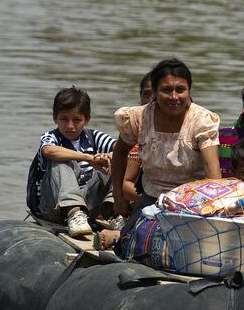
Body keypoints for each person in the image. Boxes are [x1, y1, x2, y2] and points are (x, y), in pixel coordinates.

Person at [111, 58, 221, 225]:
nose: (174, 97)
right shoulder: (139, 118)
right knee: (136, 242)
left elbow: (212, 168)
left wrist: (215, 211)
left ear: (189, 91)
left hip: (192, 205)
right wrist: (118, 196)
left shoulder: (202, 121)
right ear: (154, 92)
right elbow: (119, 153)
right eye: (166, 90)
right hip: (151, 200)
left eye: (181, 90)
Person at [29, 86, 116, 237]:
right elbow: (49, 151)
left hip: (89, 206)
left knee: (118, 162)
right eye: (64, 119)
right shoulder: (51, 137)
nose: (70, 126)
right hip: (53, 206)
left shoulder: (94, 137)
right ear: (55, 118)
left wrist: (107, 158)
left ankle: (114, 212)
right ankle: (74, 212)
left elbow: (125, 150)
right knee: (60, 159)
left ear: (86, 119)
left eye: (76, 120)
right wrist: (89, 158)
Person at [123, 71, 153, 203]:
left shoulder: (196, 129)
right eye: (146, 94)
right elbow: (127, 183)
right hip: (149, 199)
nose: (151, 100)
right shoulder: (136, 130)